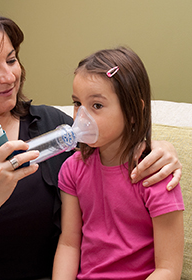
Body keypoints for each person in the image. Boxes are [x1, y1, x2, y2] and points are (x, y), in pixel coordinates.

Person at [0, 8, 181, 280]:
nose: (9, 76)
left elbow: (110, 138)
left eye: (11, 60)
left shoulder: (51, 125)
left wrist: (156, 147)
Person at [52, 47, 184, 280]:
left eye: (97, 106)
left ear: (133, 112)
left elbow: (168, 269)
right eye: (77, 104)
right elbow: (70, 244)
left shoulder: (155, 174)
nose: (81, 117)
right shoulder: (72, 169)